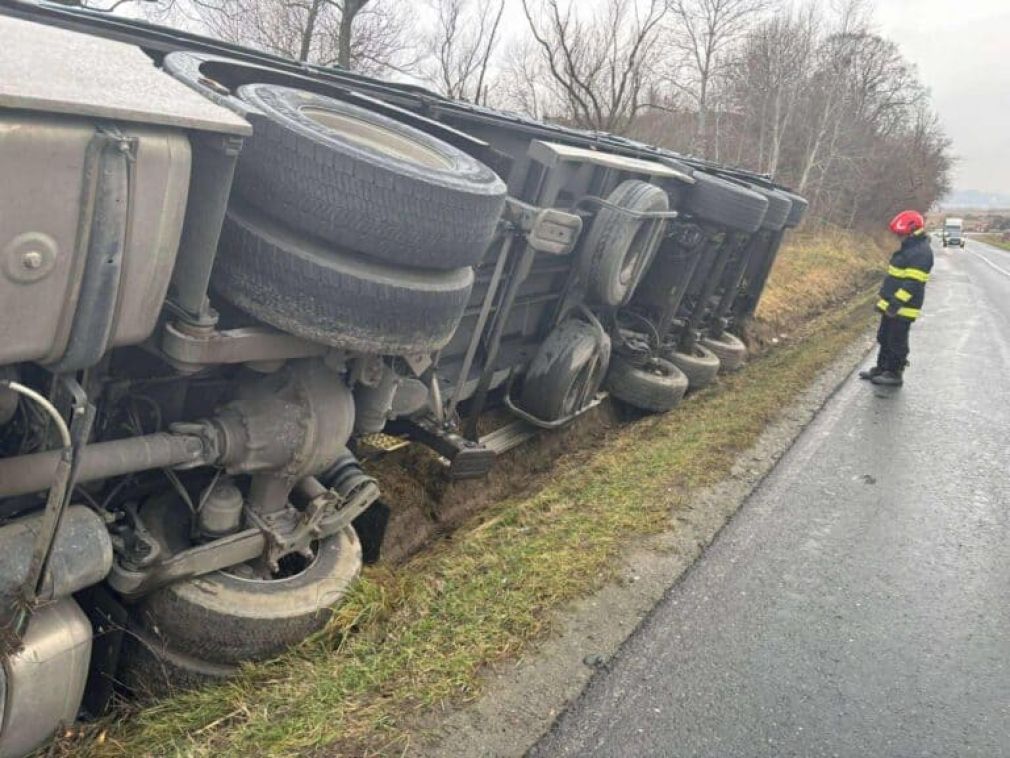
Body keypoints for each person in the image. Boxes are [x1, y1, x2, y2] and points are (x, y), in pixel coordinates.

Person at [859, 209, 934, 387]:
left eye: (901, 234)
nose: (898, 237)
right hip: (893, 305)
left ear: (912, 230)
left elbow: (912, 284)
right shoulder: (910, 247)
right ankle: (882, 368)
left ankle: (894, 373)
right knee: (884, 336)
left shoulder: (921, 252)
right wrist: (884, 304)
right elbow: (894, 280)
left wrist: (896, 303)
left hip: (904, 307)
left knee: (896, 340)